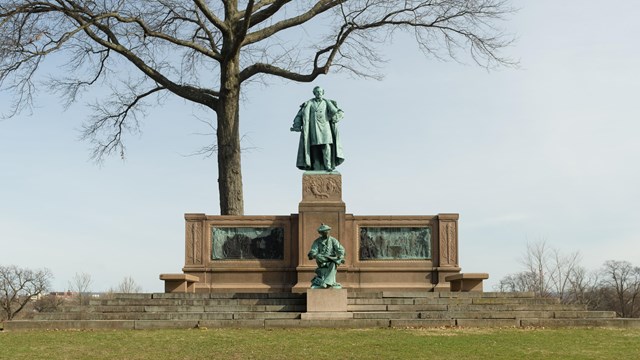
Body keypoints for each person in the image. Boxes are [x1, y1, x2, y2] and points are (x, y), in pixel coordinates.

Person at [290, 86, 345, 171]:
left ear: (323, 92)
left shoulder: (328, 103)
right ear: (314, 93)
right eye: (317, 92)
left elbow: (338, 112)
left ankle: (328, 166)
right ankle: (316, 166)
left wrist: (337, 117)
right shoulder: (309, 103)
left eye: (320, 92)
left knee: (326, 145)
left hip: (326, 128)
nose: (319, 93)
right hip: (313, 128)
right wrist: (297, 125)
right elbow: (300, 115)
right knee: (314, 147)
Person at [307, 223, 346, 288]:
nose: (327, 232)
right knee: (319, 256)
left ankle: (326, 283)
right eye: (325, 231)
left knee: (333, 263)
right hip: (321, 260)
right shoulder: (317, 241)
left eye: (327, 231)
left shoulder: (333, 240)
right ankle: (327, 282)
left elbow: (340, 249)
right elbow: (313, 250)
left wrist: (341, 256)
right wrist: (313, 254)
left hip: (332, 259)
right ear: (321, 233)